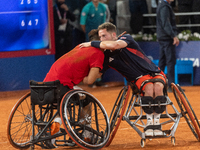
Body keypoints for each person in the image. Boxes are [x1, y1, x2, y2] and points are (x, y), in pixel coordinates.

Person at [80, 22, 167, 136]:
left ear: (113, 35)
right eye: (100, 37)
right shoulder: (106, 56)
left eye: (104, 36)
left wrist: (91, 43)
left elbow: (115, 45)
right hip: (138, 78)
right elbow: (97, 75)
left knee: (158, 86)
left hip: (155, 71)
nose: (101, 39)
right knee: (150, 87)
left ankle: (157, 123)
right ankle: (151, 123)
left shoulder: (126, 38)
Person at [43, 29, 104, 141]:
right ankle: (86, 133)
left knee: (63, 100)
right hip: (62, 86)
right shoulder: (98, 53)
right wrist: (95, 75)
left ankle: (56, 123)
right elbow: (90, 81)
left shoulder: (80, 47)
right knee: (86, 99)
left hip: (46, 85)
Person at [156, 0, 179, 92]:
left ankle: (158, 84)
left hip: (163, 37)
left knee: (162, 62)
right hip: (166, 38)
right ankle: (171, 85)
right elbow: (166, 23)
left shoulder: (163, 5)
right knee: (170, 61)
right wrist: (173, 35)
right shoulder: (164, 7)